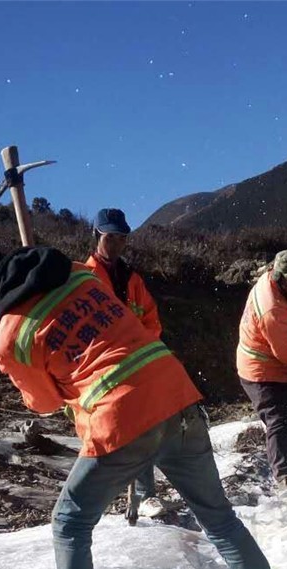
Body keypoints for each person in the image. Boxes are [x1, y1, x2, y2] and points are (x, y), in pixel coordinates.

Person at [0, 246, 287, 569]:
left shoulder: (8, 338)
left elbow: (42, 402)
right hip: (176, 395)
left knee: (69, 523)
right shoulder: (78, 274)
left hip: (120, 418)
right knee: (219, 518)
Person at [86, 207, 164, 515]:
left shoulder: (133, 279)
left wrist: (139, 346)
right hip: (101, 368)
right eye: (110, 238)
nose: (117, 244)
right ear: (97, 236)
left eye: (121, 238)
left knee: (140, 428)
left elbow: (151, 319)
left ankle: (145, 495)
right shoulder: (85, 278)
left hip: (135, 363)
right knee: (107, 431)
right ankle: (101, 494)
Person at [237, 250, 287, 489]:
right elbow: (285, 351)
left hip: (275, 366)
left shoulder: (279, 281)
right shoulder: (271, 308)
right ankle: (283, 476)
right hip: (259, 370)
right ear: (280, 276)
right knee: (278, 421)